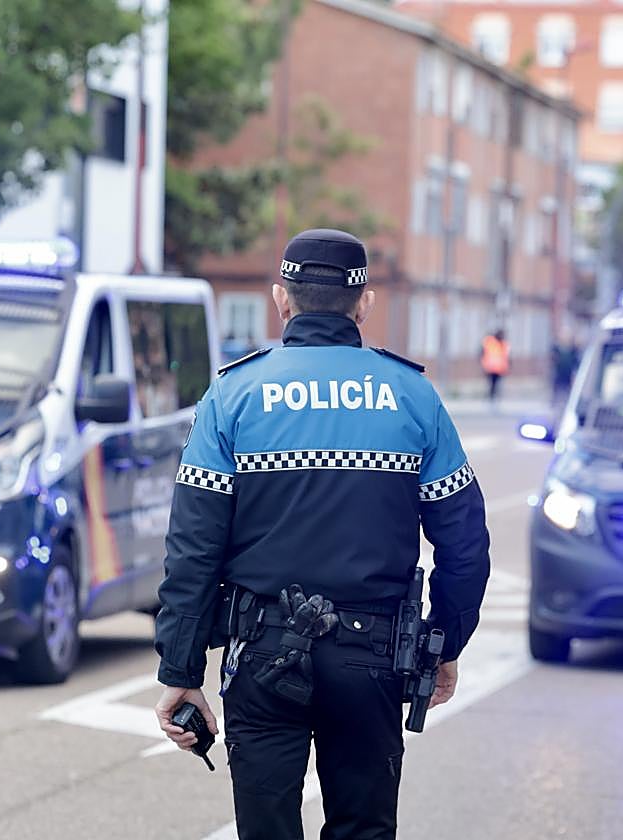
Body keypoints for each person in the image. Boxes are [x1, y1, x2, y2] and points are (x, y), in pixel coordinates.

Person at [153, 228, 491, 840]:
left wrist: (180, 670)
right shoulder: (412, 394)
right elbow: (466, 542)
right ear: (364, 304)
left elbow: (193, 550)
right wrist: (444, 643)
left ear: (282, 298)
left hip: (260, 654)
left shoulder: (233, 395)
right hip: (376, 656)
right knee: (363, 829)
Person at [480, 328, 509, 401]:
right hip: (490, 367)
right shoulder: (489, 341)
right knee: (491, 383)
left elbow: (506, 356)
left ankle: (493, 395)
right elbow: (482, 352)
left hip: (500, 368)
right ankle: (491, 396)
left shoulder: (504, 344)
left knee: (496, 383)